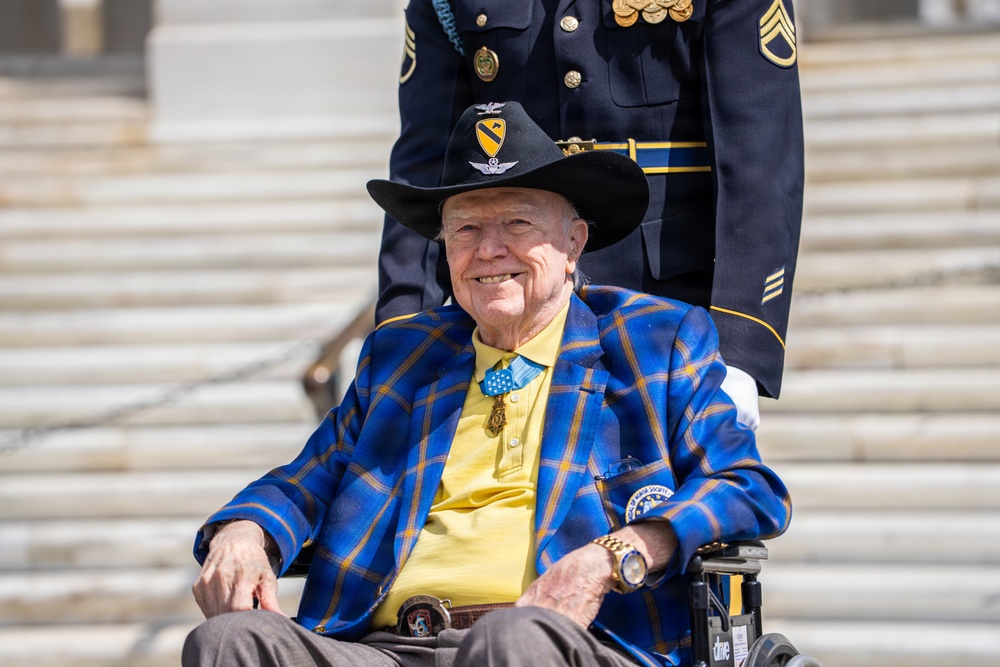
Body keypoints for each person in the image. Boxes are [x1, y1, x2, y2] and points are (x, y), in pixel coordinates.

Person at [184, 101, 791, 667]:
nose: (489, 250)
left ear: (574, 242)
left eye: (517, 222)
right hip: (389, 646)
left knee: (510, 640)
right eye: (466, 230)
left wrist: (615, 556)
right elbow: (303, 481)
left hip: (567, 640)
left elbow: (748, 488)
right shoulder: (404, 355)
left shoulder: (653, 341)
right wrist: (245, 531)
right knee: (227, 641)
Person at [377, 0, 805, 430]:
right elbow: (428, 167)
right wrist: (399, 340)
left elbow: (759, 157)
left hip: (667, 308)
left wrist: (740, 349)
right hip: (514, 307)